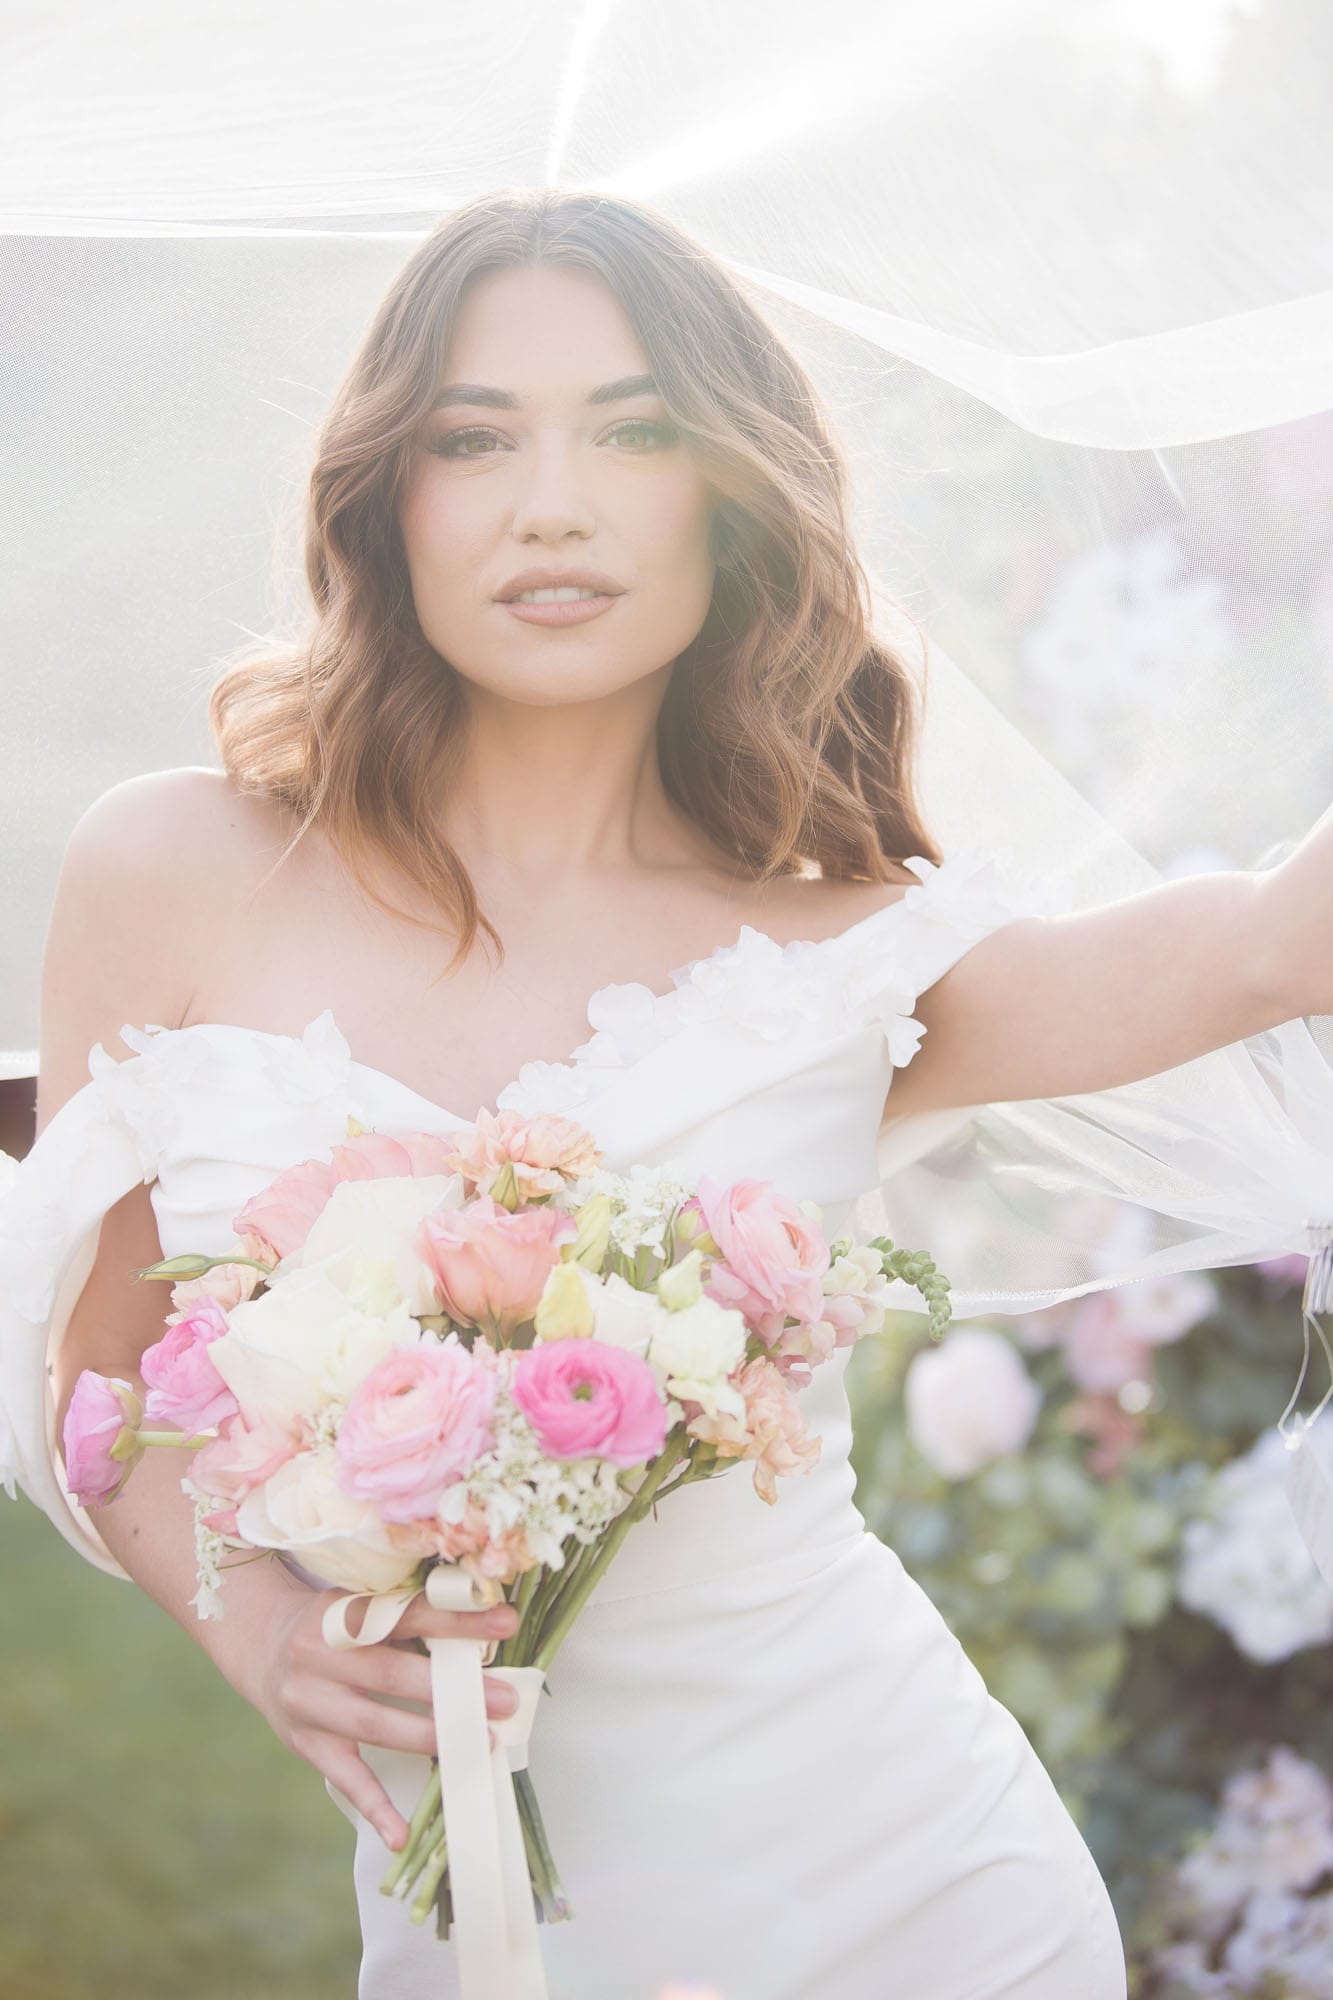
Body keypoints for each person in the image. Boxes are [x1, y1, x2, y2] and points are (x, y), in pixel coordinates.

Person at [13, 185, 1331, 2000]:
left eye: (634, 430)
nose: (551, 499)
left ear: (731, 491)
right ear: (386, 496)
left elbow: (1272, 943)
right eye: (476, 439)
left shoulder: (861, 954)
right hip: (480, 1913)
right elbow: (89, 1381)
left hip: (917, 1898)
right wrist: (252, 1622)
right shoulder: (167, 869)